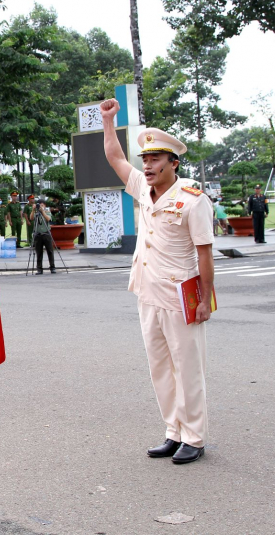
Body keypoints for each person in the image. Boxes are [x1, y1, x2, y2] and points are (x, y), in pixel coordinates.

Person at [101, 98, 214, 465]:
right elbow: (116, 159)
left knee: (187, 367)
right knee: (160, 368)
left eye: (155, 160)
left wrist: (204, 299)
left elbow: (205, 254)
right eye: (145, 160)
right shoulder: (142, 189)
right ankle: (173, 431)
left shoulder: (194, 202)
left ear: (173, 163)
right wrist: (108, 121)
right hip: (147, 293)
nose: (146, 166)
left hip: (181, 297)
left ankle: (194, 436)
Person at [29, 199, 55, 274]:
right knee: (39, 252)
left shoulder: (47, 211)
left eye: (42, 205)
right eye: (39, 205)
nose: (40, 206)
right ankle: (39, 269)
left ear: (45, 205)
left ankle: (52, 267)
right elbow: (31, 218)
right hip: (38, 234)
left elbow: (48, 219)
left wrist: (43, 211)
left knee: (50, 251)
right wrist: (33, 210)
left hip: (46, 233)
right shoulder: (36, 212)